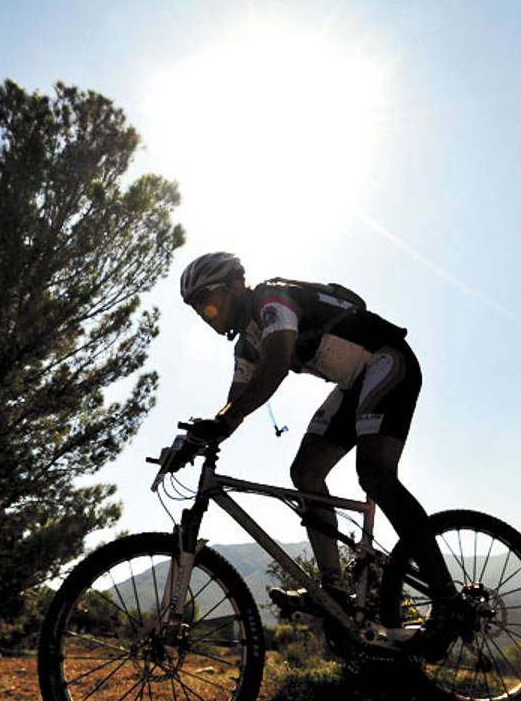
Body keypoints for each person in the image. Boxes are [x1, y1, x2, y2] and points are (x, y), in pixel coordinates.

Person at [178, 251, 465, 655]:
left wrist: (223, 422)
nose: (206, 314)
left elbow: (276, 364)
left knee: (375, 474)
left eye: (208, 300)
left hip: (388, 360)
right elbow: (234, 404)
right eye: (197, 309)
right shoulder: (246, 347)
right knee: (306, 472)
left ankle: (448, 600)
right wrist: (191, 443)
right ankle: (335, 590)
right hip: (355, 382)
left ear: (235, 286)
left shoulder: (272, 302)